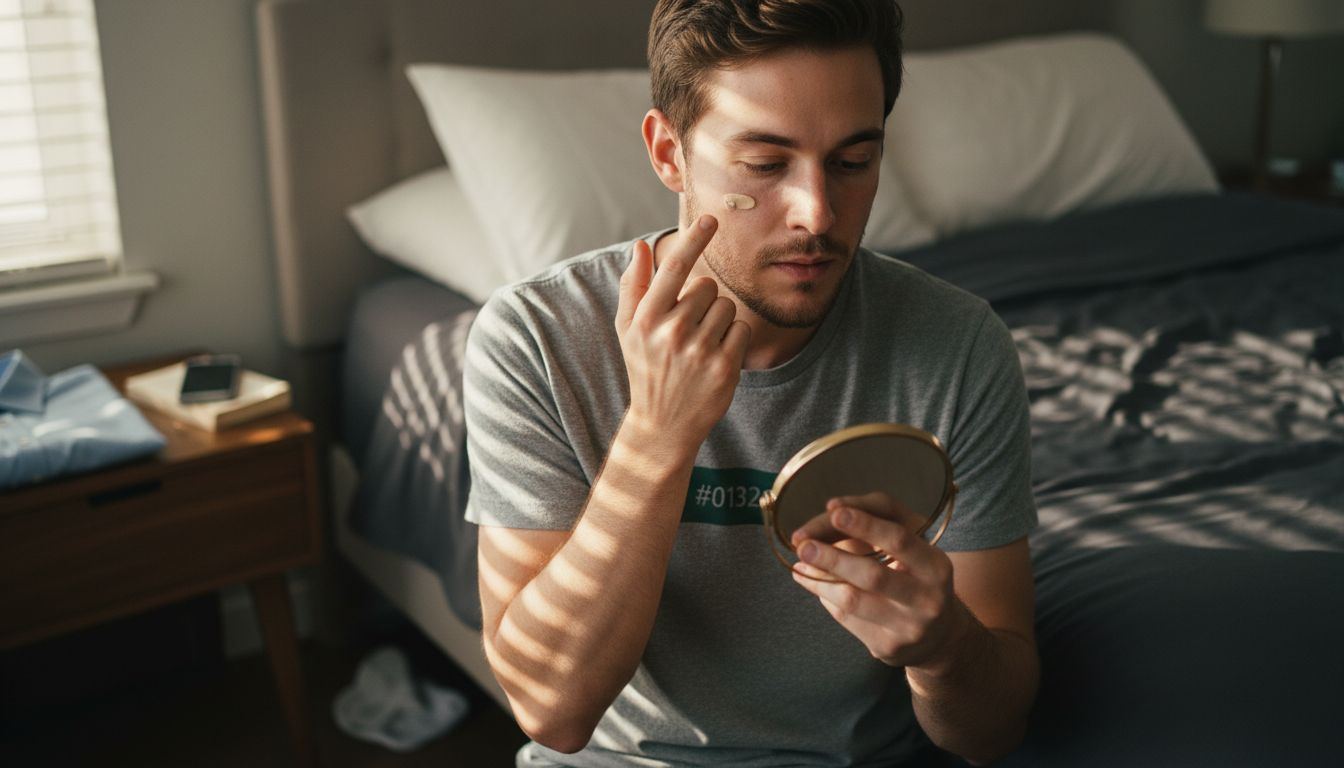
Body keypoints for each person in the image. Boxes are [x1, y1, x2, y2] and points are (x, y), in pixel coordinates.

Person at [463, 1, 1040, 765]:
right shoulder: (537, 339)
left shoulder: (958, 345)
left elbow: (990, 734)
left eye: (853, 162)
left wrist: (942, 649)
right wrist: (657, 434)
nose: (817, 213)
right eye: (765, 165)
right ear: (669, 153)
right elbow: (552, 712)